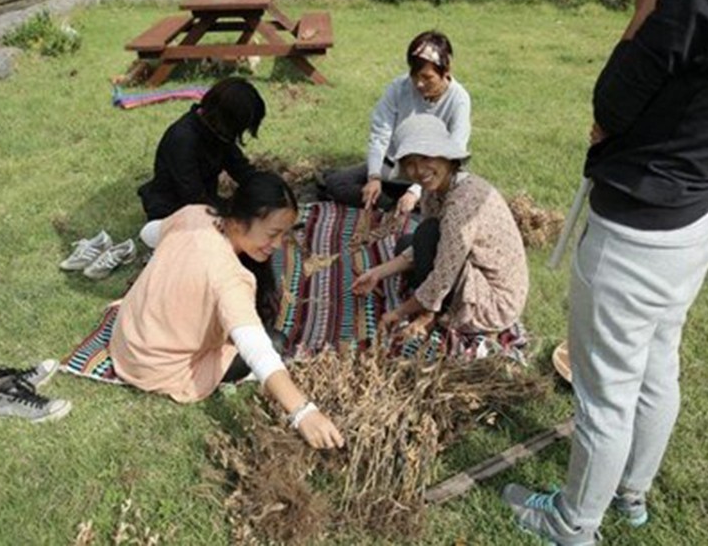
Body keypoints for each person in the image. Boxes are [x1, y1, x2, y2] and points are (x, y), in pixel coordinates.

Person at [502, 0, 708, 544]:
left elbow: (613, 102)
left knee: (605, 393)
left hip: (634, 234)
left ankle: (572, 523)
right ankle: (631, 494)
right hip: (695, 221)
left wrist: (646, 7)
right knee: (658, 364)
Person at [111, 172, 344, 450]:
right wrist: (304, 413)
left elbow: (148, 233)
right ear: (237, 220)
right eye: (273, 234)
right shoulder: (230, 278)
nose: (279, 244)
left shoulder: (194, 215)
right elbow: (257, 348)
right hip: (155, 366)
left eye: (284, 234)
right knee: (275, 342)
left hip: (128, 339)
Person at [351, 114, 528, 342]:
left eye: (426, 158)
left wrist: (400, 312)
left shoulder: (463, 201)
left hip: (494, 300)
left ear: (447, 157)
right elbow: (433, 248)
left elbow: (444, 272)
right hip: (466, 266)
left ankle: (431, 315)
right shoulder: (434, 190)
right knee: (409, 242)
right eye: (410, 164)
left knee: (426, 235)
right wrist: (377, 273)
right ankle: (431, 302)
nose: (419, 170)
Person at [323, 31, 471, 214]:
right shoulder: (398, 88)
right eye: (415, 75)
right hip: (394, 168)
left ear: (445, 71)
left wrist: (415, 191)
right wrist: (374, 177)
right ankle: (394, 206)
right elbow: (380, 133)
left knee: (454, 201)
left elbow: (454, 151)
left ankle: (404, 204)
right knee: (336, 183)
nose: (419, 84)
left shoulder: (459, 100)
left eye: (427, 78)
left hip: (430, 176)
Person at [137, 77, 264, 221]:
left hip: (202, 205)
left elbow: (242, 170)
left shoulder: (216, 132)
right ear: (226, 121)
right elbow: (193, 195)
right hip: (171, 212)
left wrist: (268, 188)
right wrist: (236, 209)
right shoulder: (183, 139)